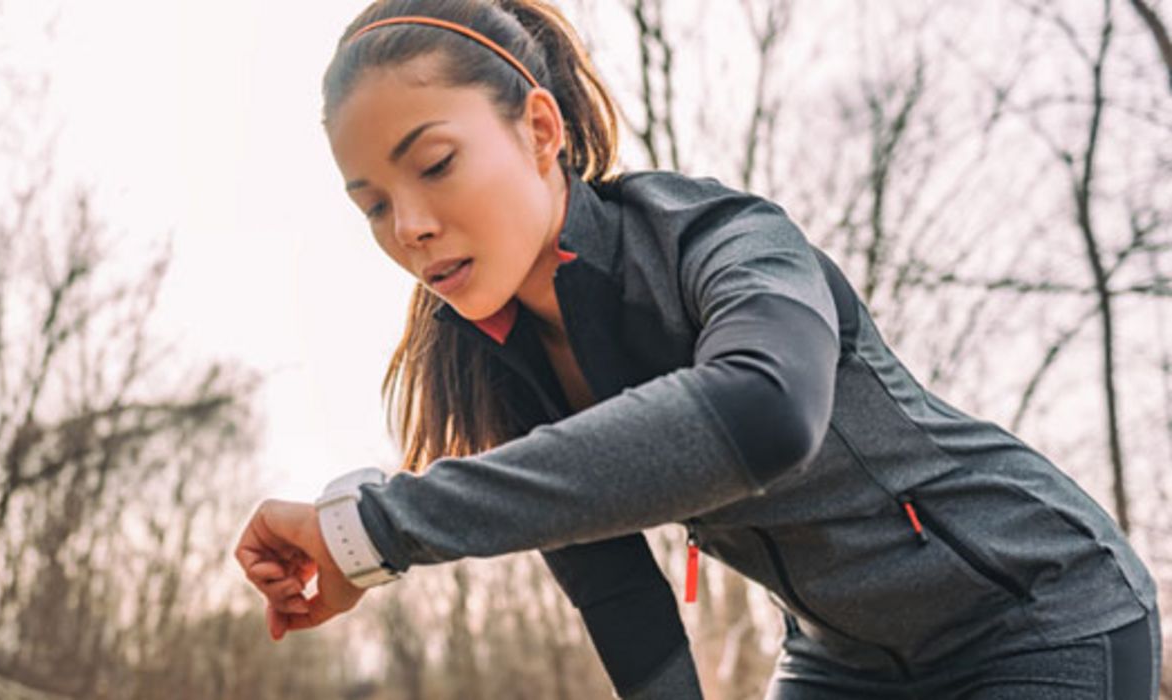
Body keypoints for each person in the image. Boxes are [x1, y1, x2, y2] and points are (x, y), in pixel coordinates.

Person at [234, 1, 1163, 697]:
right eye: (373, 205)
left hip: (1034, 612)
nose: (412, 227)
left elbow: (764, 415)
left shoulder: (718, 239)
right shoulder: (494, 358)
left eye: (433, 165)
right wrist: (364, 536)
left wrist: (373, 530)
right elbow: (615, 592)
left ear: (540, 130)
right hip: (841, 662)